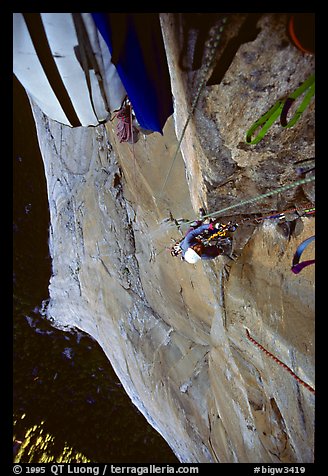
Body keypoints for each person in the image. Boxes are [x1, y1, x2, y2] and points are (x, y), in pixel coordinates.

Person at [171, 219, 238, 264]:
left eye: (196, 249)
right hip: (191, 249)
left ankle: (198, 221)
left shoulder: (187, 241)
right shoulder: (205, 256)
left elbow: (198, 230)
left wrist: (211, 226)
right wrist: (220, 249)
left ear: (191, 247)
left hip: (185, 245)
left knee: (192, 230)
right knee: (217, 247)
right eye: (198, 252)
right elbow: (214, 254)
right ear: (200, 255)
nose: (199, 249)